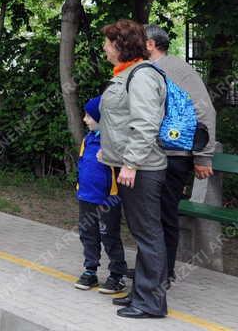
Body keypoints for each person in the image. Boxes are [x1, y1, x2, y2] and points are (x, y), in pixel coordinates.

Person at [98, 19, 168, 320]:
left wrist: (130, 162)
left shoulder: (140, 76)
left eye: (107, 42)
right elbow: (120, 122)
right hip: (131, 166)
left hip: (142, 169)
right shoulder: (128, 74)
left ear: (119, 45)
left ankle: (151, 302)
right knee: (142, 233)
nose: (104, 47)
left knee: (148, 234)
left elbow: (145, 124)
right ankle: (141, 291)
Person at [144, 24, 217, 285]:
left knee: (164, 213)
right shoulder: (150, 70)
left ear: (151, 44)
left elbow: (206, 111)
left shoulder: (178, 70)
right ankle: (153, 269)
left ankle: (164, 272)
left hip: (175, 154)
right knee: (150, 215)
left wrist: (203, 156)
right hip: (155, 154)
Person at [74, 95, 128, 294]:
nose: (85, 120)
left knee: (109, 235)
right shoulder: (88, 140)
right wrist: (79, 187)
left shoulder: (113, 142)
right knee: (88, 234)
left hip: (108, 199)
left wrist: (109, 157)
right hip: (86, 197)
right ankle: (90, 270)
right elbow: (81, 164)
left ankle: (117, 274)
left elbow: (123, 166)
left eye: (89, 116)